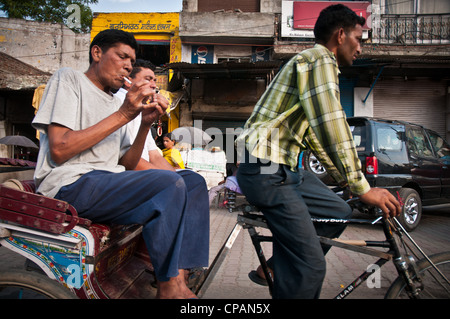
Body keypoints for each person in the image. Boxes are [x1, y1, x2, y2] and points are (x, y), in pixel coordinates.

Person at [235, 4, 401, 299]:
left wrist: (348, 184)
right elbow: (331, 124)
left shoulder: (315, 64)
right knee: (310, 266)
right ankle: (295, 269)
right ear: (340, 35)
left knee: (338, 211)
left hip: (285, 170)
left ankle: (274, 267)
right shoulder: (319, 60)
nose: (360, 48)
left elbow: (315, 135)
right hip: (266, 170)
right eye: (358, 39)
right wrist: (362, 187)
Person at [32, 29, 209, 299]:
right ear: (97, 53)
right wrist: (125, 114)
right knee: (168, 183)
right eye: (122, 56)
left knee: (193, 182)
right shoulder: (69, 79)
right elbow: (59, 149)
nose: (128, 65)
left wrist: (144, 125)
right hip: (69, 184)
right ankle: (168, 287)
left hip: (106, 183)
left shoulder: (116, 101)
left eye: (131, 60)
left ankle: (180, 279)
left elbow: (126, 163)